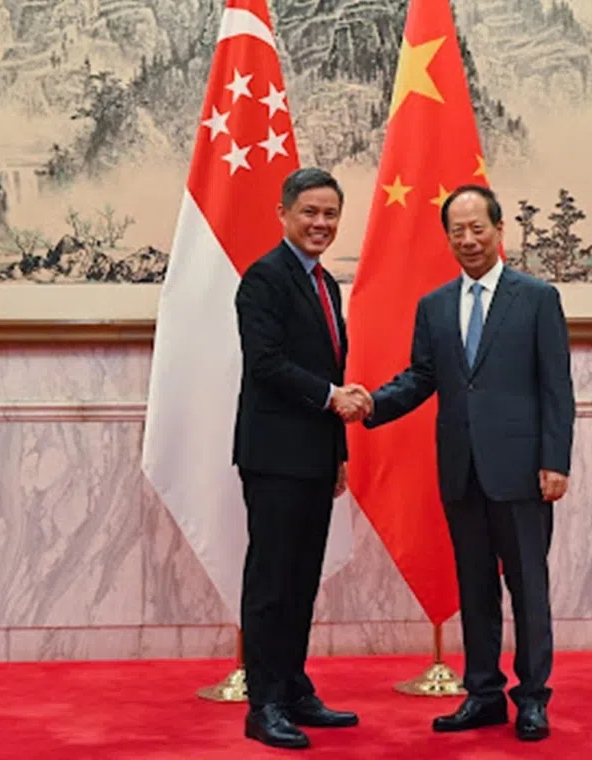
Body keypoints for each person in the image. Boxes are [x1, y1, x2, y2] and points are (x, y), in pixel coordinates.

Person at [360, 184, 575, 742]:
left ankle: (532, 698)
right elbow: (421, 377)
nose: (468, 239)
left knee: (528, 587)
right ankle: (483, 694)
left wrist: (555, 460)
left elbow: (557, 388)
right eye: (457, 230)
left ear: (500, 231)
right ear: (447, 238)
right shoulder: (434, 306)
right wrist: (371, 405)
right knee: (474, 588)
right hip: (461, 469)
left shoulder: (536, 298)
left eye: (478, 227)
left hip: (523, 471)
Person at [233, 167, 369, 749]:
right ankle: (263, 704)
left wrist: (338, 452)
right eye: (310, 212)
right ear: (284, 213)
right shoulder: (263, 279)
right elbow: (266, 364)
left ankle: (293, 687)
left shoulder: (324, 283)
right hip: (274, 457)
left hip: (314, 458)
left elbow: (328, 370)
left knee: (302, 580)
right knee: (271, 582)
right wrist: (333, 399)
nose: (321, 224)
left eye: (330, 214)